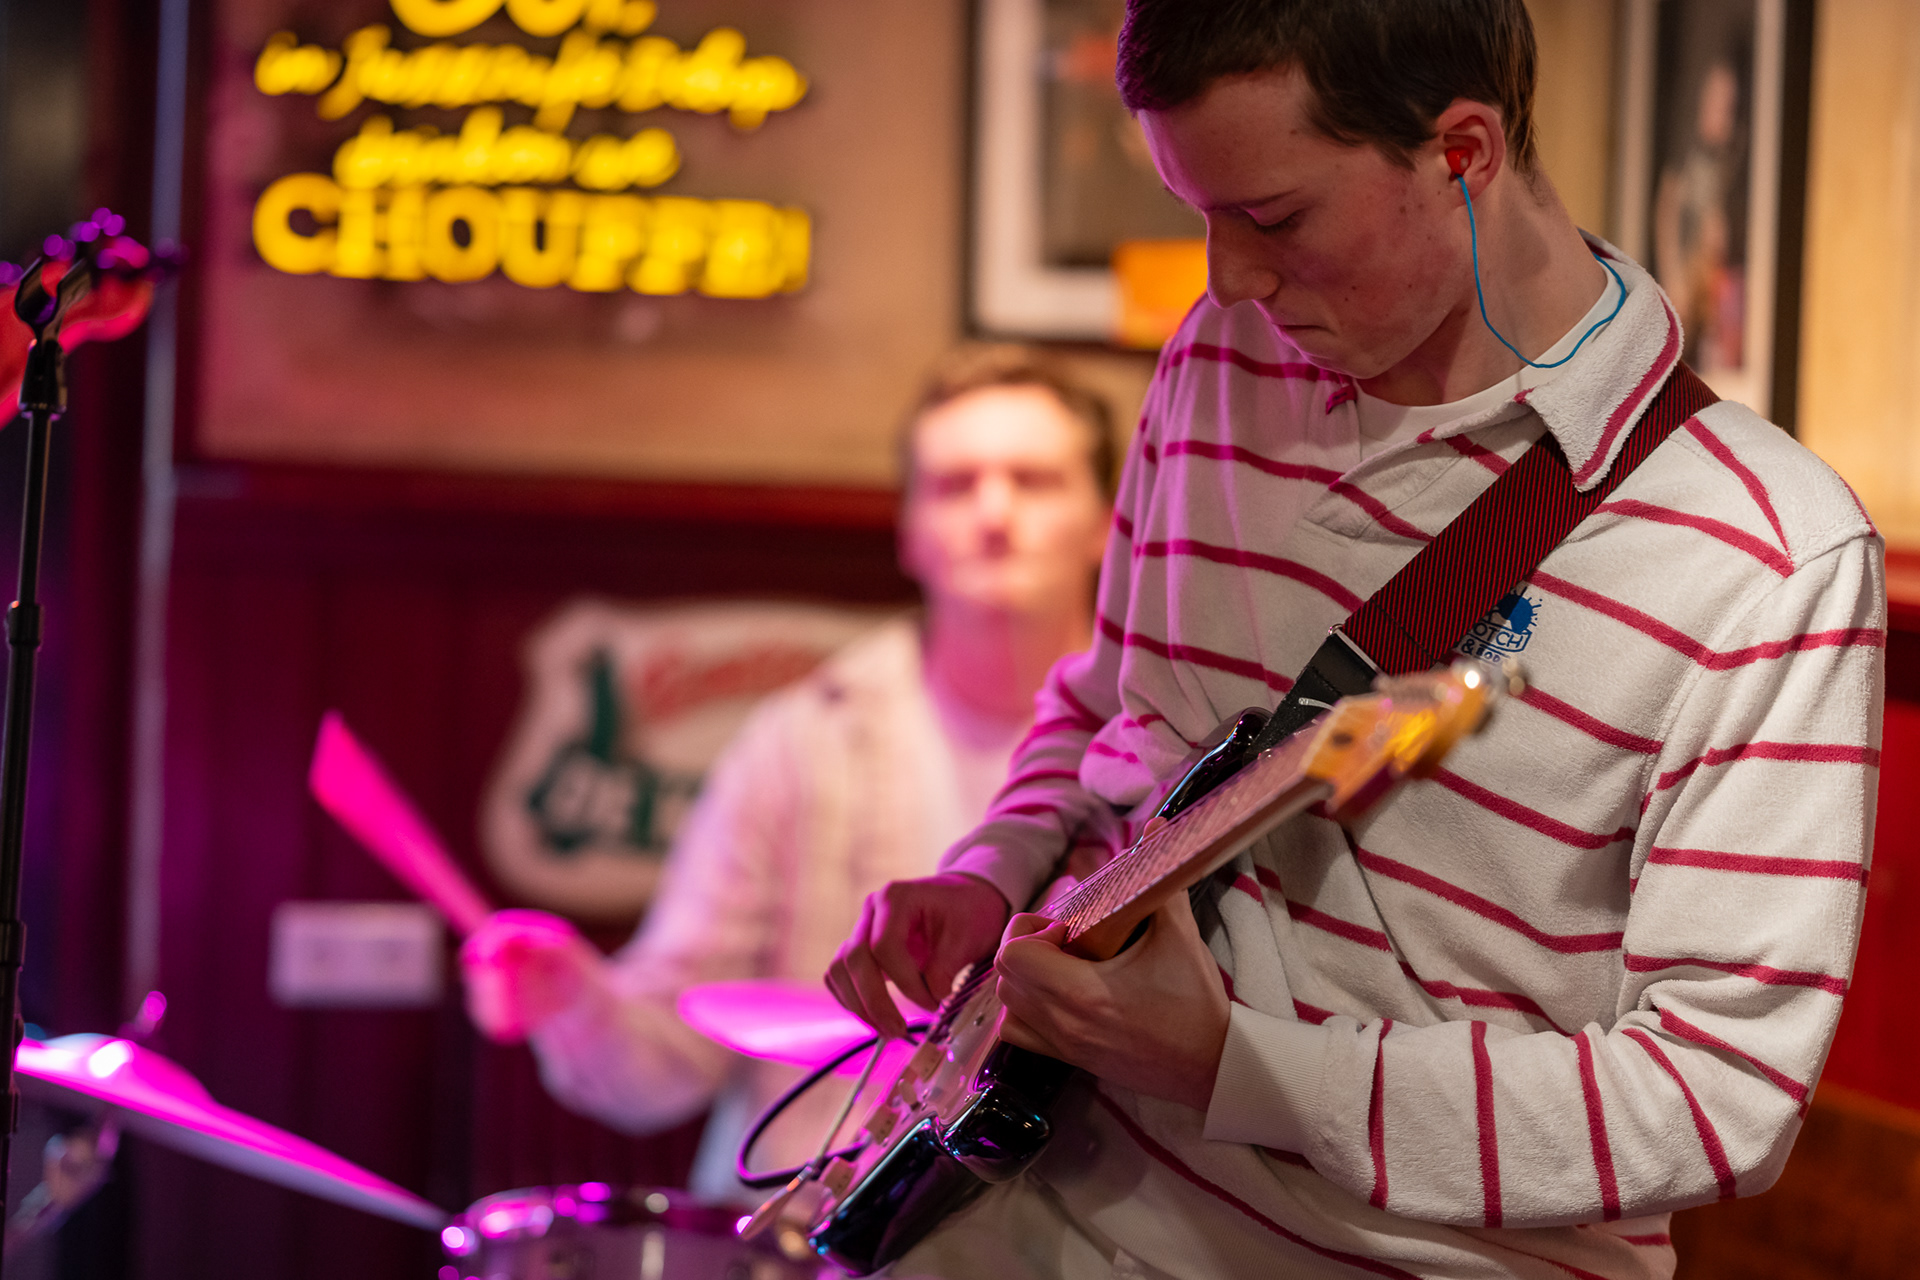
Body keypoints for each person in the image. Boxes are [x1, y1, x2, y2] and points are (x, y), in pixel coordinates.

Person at [827, 4, 1883, 1278]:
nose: (1229, 279)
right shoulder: (1217, 359)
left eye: (1274, 217)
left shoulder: (1771, 551)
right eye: (1197, 212)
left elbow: (1718, 1102)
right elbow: (1110, 705)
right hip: (1040, 1201)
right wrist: (994, 868)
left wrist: (1234, 1067)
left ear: (1462, 152)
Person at [458, 346, 1115, 1201]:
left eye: (1034, 481)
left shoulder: (1146, 739)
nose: (994, 513)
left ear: (1108, 524)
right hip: (813, 1222)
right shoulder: (802, 739)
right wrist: (570, 996)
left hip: (1073, 1222)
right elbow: (667, 1060)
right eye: (955, 485)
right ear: (909, 531)